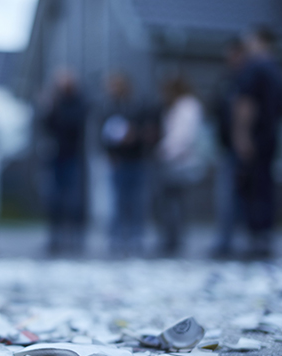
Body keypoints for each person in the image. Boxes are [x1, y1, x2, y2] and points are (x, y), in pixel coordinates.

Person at [232, 27, 282, 259]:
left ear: (261, 41)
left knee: (252, 189)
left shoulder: (254, 68)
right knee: (265, 188)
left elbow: (246, 104)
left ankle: (256, 240)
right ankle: (264, 238)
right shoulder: (277, 69)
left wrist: (242, 136)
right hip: (271, 137)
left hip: (255, 139)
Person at [99, 73, 154, 256]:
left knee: (137, 200)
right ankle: (116, 235)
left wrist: (135, 135)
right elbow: (102, 134)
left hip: (136, 159)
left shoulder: (138, 106)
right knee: (118, 201)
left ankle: (136, 235)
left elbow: (148, 130)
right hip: (118, 161)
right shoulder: (108, 107)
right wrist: (109, 154)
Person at [155, 76, 203, 256]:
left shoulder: (187, 106)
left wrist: (165, 151)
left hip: (177, 160)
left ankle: (173, 238)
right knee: (173, 202)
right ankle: (172, 237)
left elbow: (183, 136)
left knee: (173, 201)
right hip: (174, 158)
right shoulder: (183, 106)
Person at [42, 69, 88, 255]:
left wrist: (57, 107)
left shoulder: (79, 102)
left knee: (73, 199)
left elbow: (73, 123)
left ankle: (75, 236)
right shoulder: (54, 103)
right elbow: (45, 125)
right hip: (55, 157)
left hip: (73, 156)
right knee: (54, 198)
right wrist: (48, 106)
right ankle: (56, 236)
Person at [209, 38, 247, 258]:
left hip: (243, 149)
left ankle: (242, 241)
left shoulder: (248, 79)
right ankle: (226, 240)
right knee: (226, 197)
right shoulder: (227, 80)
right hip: (226, 147)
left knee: (236, 197)